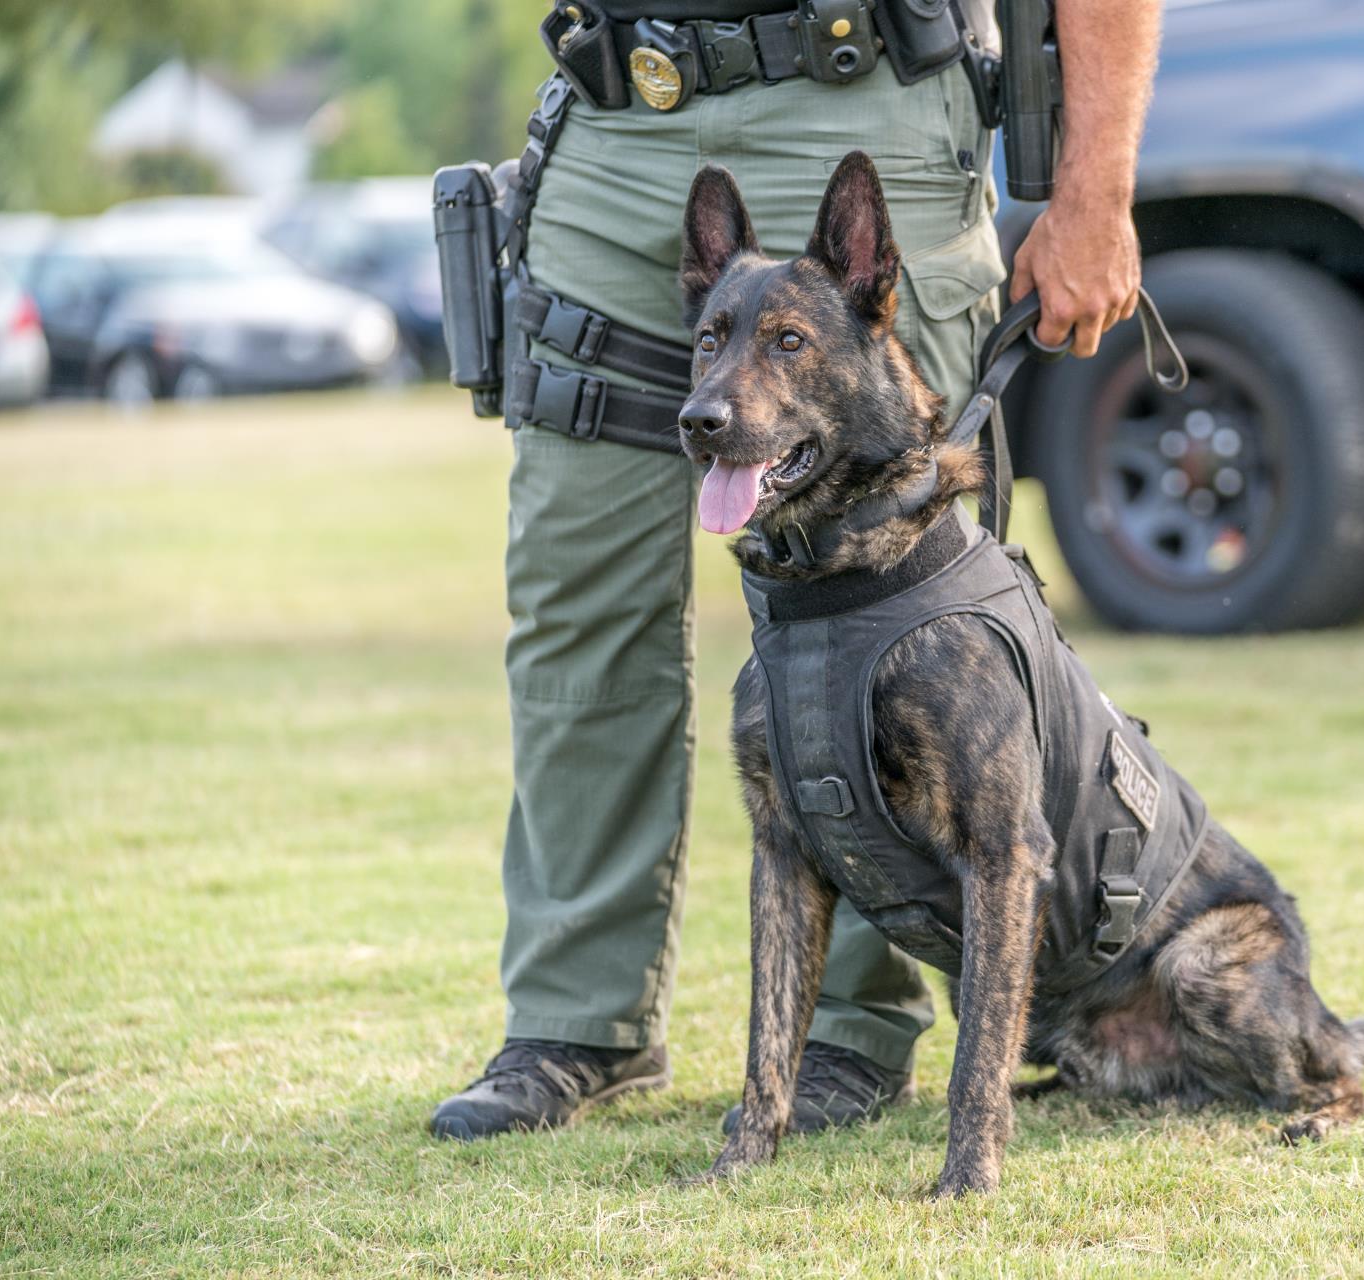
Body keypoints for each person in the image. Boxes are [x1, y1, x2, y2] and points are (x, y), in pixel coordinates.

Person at [431, 0, 1163, 1140]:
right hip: (619, 113)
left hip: (861, 78)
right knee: (577, 596)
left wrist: (1095, 191)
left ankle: (850, 1033)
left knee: (907, 619)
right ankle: (580, 1020)